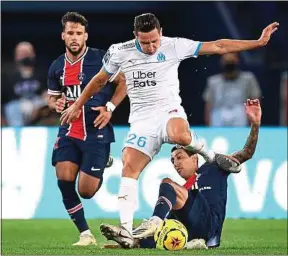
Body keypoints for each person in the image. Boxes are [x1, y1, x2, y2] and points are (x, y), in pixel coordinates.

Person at [60, 13, 278, 247]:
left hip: (168, 112)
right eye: (145, 42)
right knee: (129, 167)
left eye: (154, 40)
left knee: (177, 134)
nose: (151, 46)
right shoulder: (119, 51)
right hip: (142, 121)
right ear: (135, 36)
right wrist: (77, 104)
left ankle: (209, 155)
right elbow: (100, 80)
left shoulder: (174, 45)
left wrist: (258, 42)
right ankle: (125, 231)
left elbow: (219, 45)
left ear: (160, 32)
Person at [102, 99, 262, 249]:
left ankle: (154, 222)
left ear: (194, 157)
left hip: (210, 226)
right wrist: (135, 239)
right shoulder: (184, 192)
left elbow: (246, 153)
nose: (176, 163)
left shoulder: (213, 166)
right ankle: (133, 238)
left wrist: (255, 123)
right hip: (195, 234)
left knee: (167, 184)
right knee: (169, 222)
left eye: (179, 157)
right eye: (172, 160)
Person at [47, 12, 126, 246]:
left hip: (95, 129)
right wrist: (56, 104)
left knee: (87, 191)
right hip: (68, 131)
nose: (74, 37)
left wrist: (110, 106)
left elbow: (124, 82)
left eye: (78, 33)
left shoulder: (101, 59)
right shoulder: (56, 66)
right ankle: (85, 233)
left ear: (85, 36)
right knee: (63, 177)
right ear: (63, 35)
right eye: (70, 33)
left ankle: (102, 162)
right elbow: (52, 98)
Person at [203, 52, 261, 126]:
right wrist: (208, 125)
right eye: (227, 62)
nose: (229, 65)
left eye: (231, 62)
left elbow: (255, 99)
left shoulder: (248, 78)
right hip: (219, 113)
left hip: (240, 113)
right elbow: (209, 105)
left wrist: (254, 121)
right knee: (216, 114)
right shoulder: (213, 81)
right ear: (222, 62)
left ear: (237, 61)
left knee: (240, 111)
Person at [2, 41, 47, 126]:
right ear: (16, 56)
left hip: (38, 105)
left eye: (27, 52)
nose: (25, 55)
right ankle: (17, 134)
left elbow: (48, 93)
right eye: (22, 53)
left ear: (33, 54)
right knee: (12, 107)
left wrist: (41, 105)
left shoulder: (42, 74)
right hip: (17, 108)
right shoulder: (8, 78)